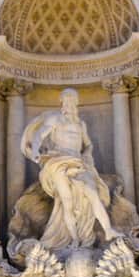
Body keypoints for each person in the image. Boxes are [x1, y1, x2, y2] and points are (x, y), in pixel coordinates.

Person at [21, 88, 120, 249]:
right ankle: (74, 238)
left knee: (93, 193)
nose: (69, 103)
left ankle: (108, 230)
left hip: (79, 162)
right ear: (62, 102)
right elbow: (39, 135)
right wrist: (35, 152)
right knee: (67, 202)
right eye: (66, 100)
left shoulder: (81, 124)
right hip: (58, 162)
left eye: (72, 100)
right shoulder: (55, 119)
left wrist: (88, 155)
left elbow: (87, 144)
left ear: (76, 103)